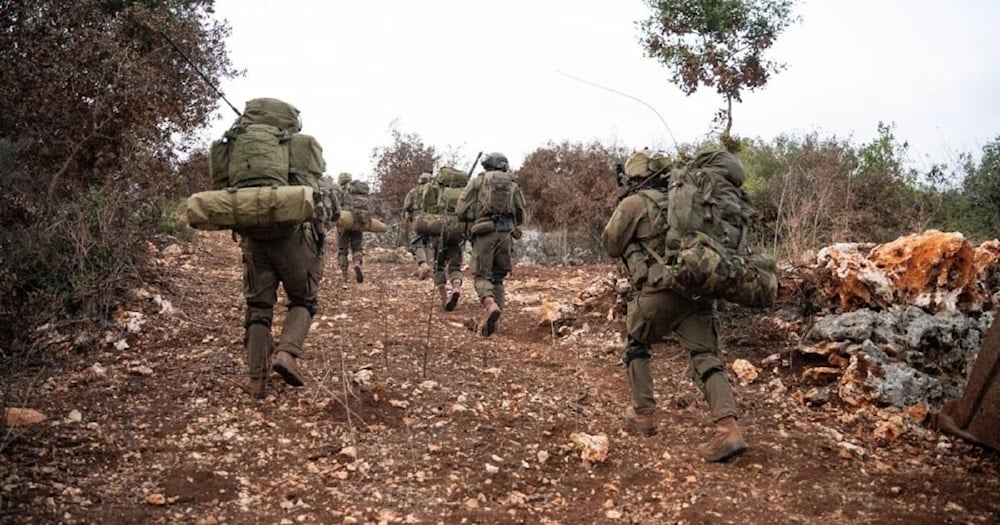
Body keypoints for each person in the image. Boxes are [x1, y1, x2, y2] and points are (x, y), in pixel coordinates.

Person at [601, 149, 748, 462]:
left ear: (635, 178)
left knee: (637, 344)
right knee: (705, 357)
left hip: (660, 293)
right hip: (697, 289)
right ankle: (727, 428)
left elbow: (611, 244)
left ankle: (644, 414)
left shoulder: (635, 203)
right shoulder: (691, 200)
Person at [455, 152, 525, 336]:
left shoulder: (478, 182)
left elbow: (460, 210)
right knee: (498, 278)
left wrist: (477, 216)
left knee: (481, 276)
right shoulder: (512, 184)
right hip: (505, 234)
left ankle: (490, 304)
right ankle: (495, 325)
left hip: (484, 234)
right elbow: (521, 214)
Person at [336, 172, 367, 283]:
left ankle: (344, 275)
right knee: (357, 246)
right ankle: (357, 263)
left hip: (343, 222)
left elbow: (335, 207)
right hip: (357, 221)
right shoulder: (357, 189)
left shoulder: (338, 191)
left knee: (342, 249)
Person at [404, 172, 433, 280]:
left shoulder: (413, 191)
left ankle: (423, 265)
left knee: (417, 243)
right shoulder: (434, 191)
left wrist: (408, 219)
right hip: (432, 219)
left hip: (418, 219)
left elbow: (406, 207)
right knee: (430, 243)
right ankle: (429, 269)